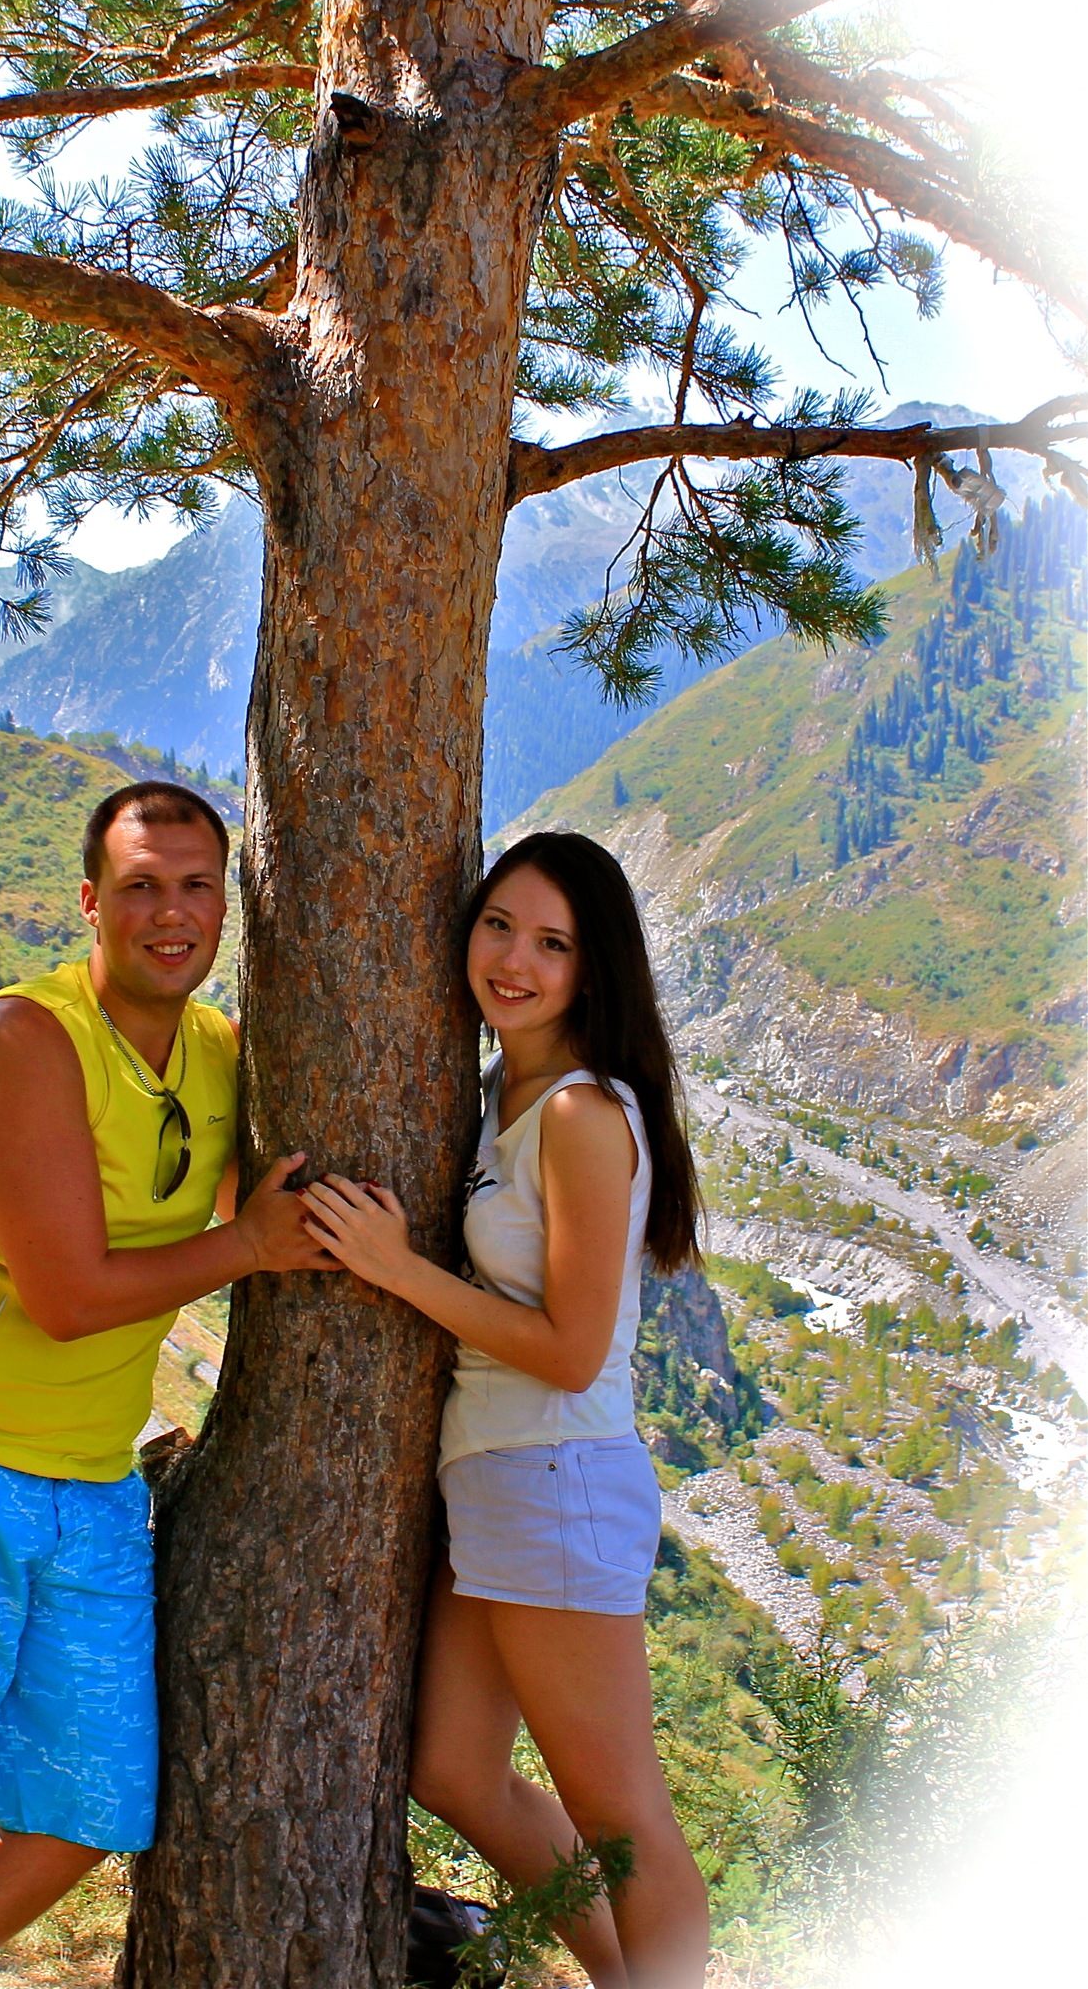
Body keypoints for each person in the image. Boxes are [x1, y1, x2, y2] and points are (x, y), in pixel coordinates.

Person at [0, 781, 332, 1989]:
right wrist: (249, 1245)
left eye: (195, 885)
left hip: (89, 1476)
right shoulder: (22, 1040)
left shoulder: (217, 1054)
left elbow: (229, 1199)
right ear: (91, 903)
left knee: (93, 1797)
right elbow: (66, 1293)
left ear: (227, 906)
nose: (171, 911)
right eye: (140, 885)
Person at [301, 831, 710, 1989]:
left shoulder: (580, 1114)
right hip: (494, 1482)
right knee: (451, 1767)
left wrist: (393, 1268)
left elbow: (572, 1352)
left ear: (593, 966)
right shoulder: (495, 1089)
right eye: (497, 925)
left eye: (550, 943)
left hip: (554, 1480)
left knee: (622, 1816)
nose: (513, 960)